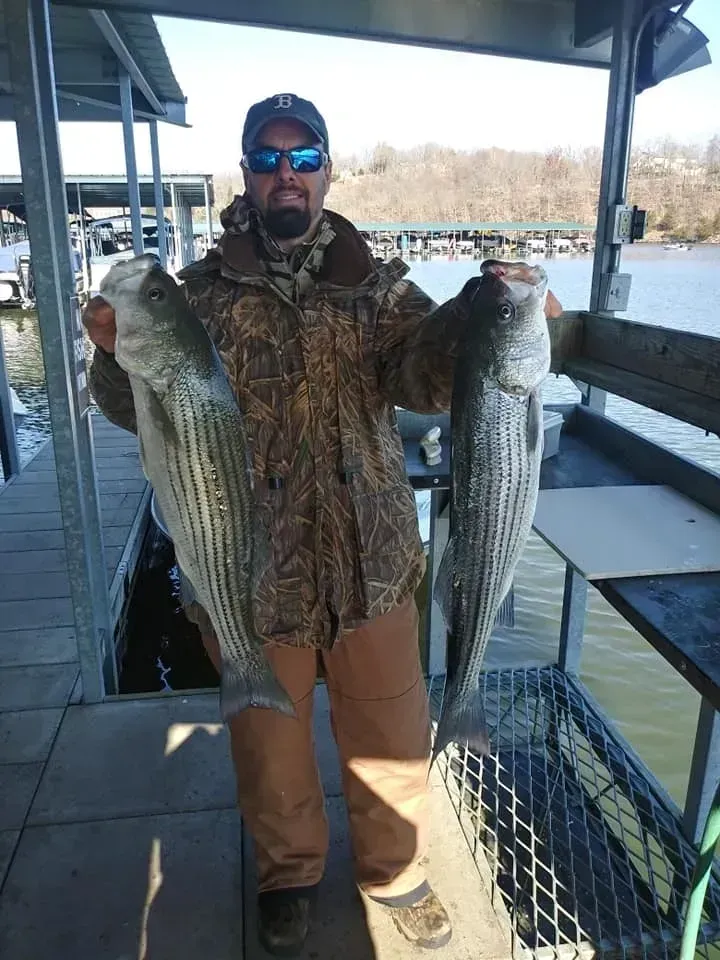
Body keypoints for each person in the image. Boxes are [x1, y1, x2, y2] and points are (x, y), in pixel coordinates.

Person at [83, 92, 563, 956]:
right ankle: (288, 874)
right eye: (268, 159)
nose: (286, 176)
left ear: (327, 171)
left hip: (373, 556)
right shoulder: (195, 296)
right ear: (248, 175)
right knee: (269, 749)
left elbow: (423, 380)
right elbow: (135, 409)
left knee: (388, 733)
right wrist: (113, 354)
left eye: (303, 159)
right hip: (251, 561)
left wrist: (483, 314)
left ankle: (393, 869)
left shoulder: (376, 287)